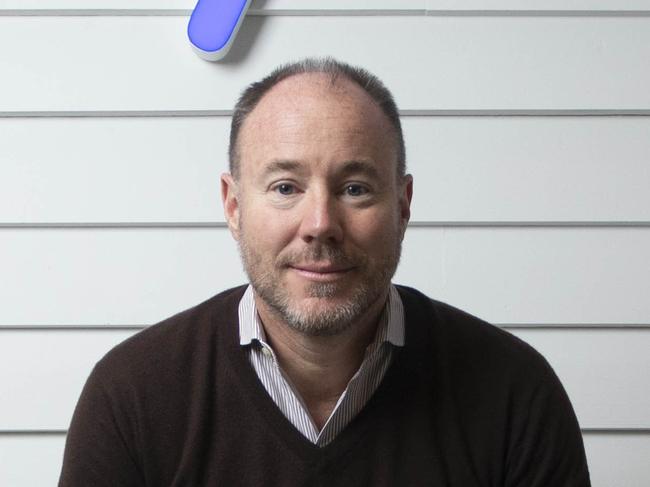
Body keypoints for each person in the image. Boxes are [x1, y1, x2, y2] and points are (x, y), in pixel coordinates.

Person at [59, 58, 591, 486]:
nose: (320, 225)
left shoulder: (515, 394)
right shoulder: (130, 397)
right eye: (286, 187)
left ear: (403, 205)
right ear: (233, 205)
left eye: (355, 188)